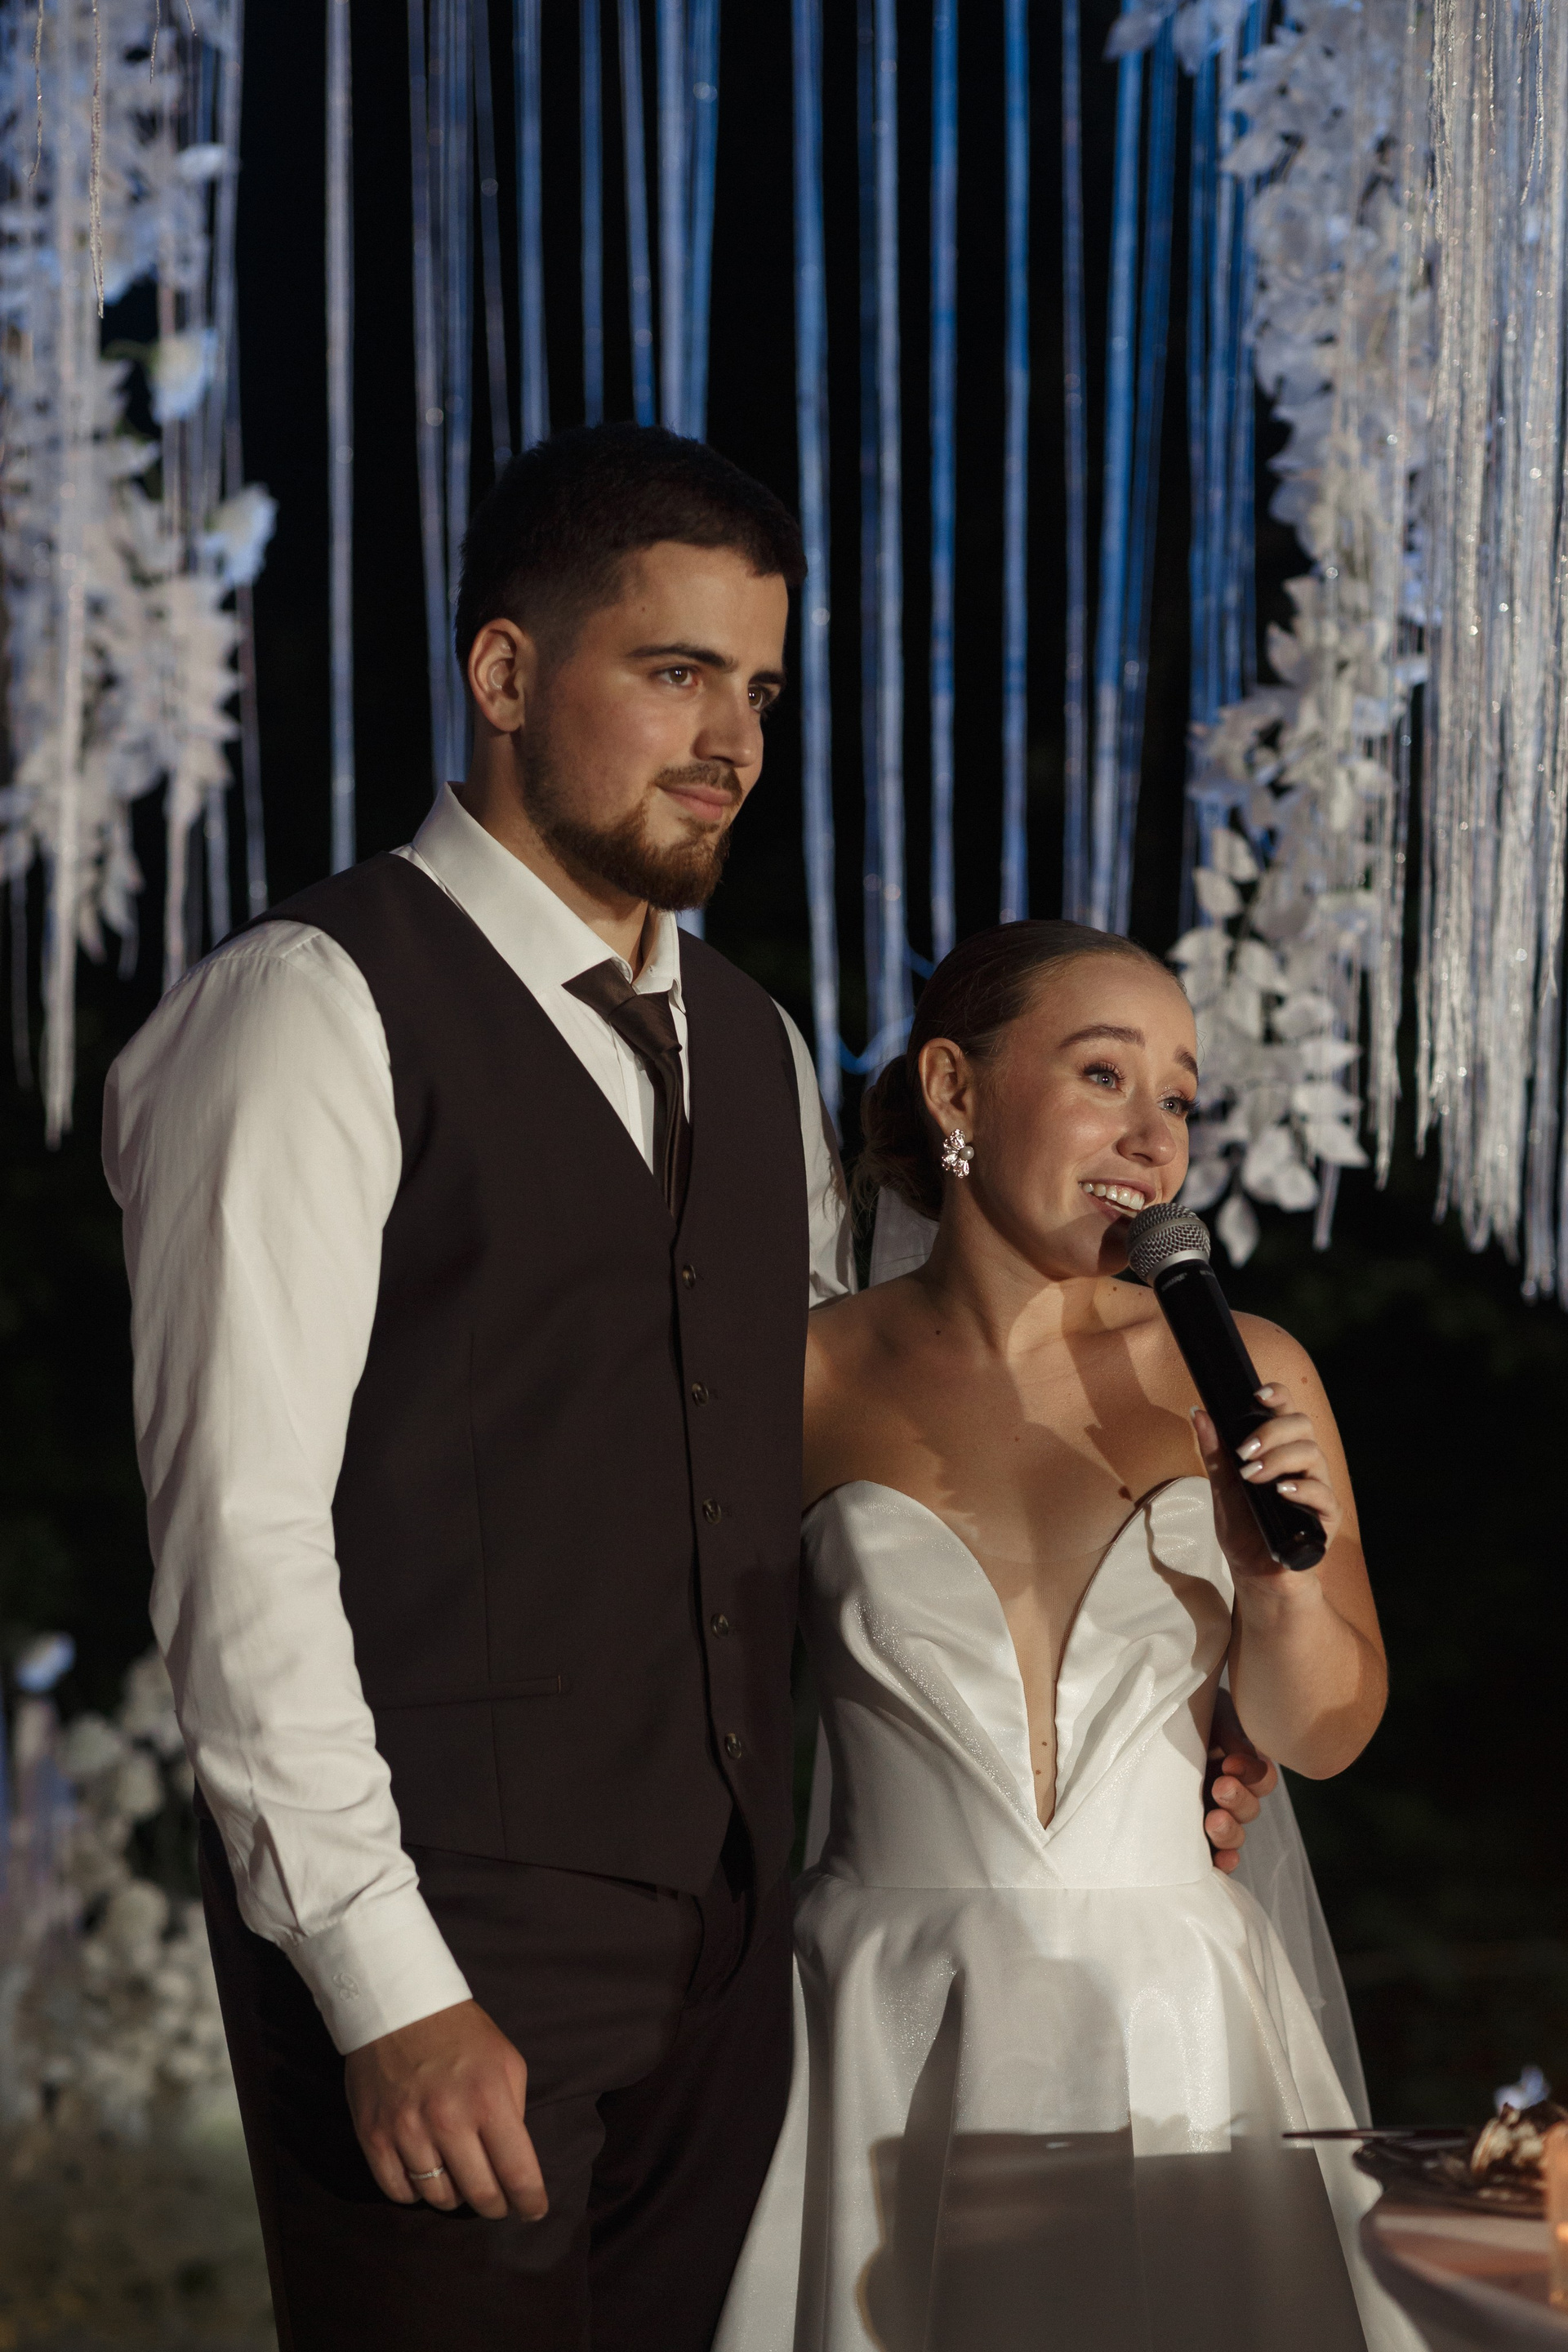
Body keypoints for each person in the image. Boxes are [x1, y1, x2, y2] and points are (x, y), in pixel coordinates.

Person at [105, 425, 1271, 2350]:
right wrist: (386, 1983)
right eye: (673, 674)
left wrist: (1154, 1702)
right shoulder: (307, 1009)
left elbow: (828, 1468)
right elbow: (238, 1544)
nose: (730, 739)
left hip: (735, 1980)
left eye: (760, 690)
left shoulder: (753, 1044)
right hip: (445, 1947)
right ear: (503, 675)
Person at [714, 920, 1423, 2352]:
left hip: (1176, 2022)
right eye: (1105, 1076)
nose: (1154, 1138)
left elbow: (1325, 1733)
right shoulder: (800, 1376)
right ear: (955, 1090)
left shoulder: (1249, 1369)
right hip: (882, 2015)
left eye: (1181, 1097)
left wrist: (1274, 1586)